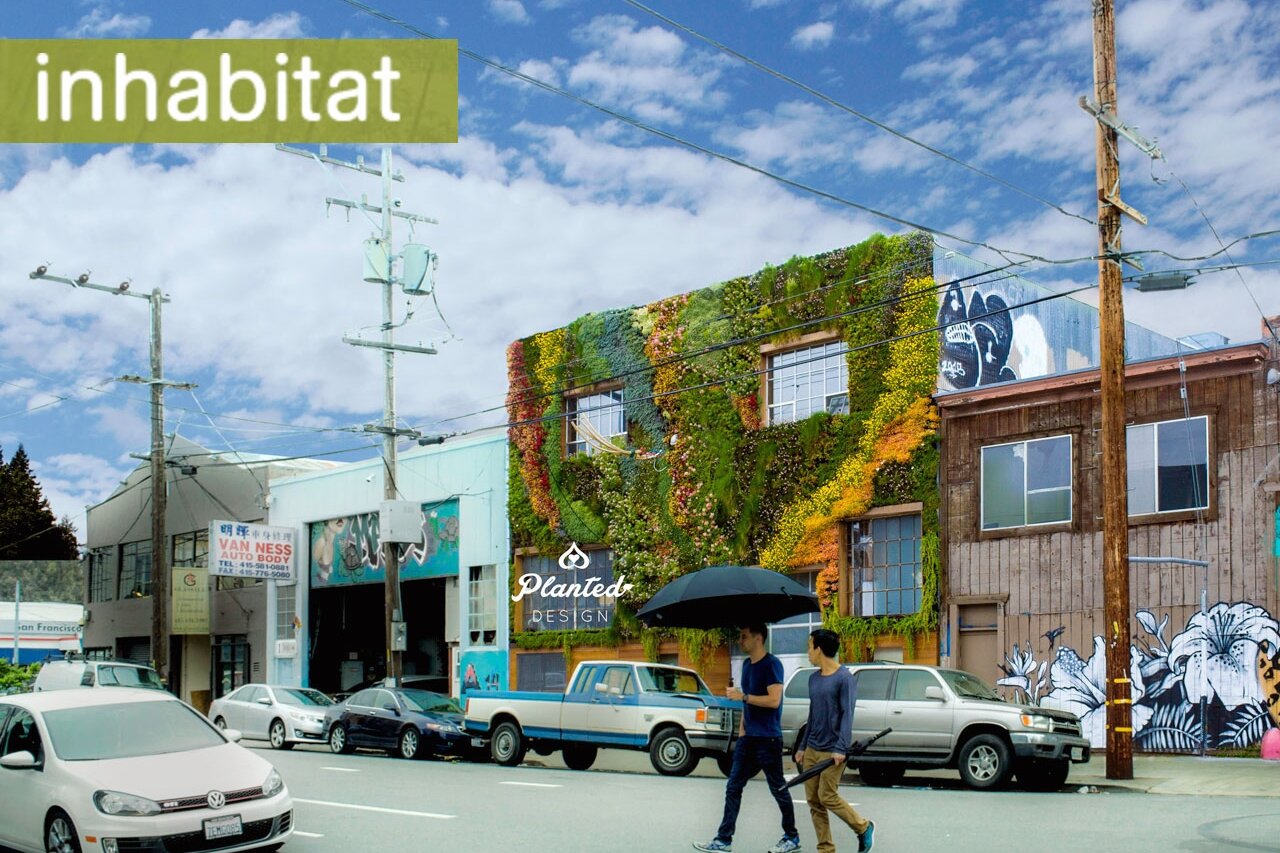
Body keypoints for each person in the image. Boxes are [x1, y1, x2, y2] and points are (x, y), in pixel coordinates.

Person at [694, 624, 800, 853]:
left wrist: (744, 695)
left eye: (744, 637)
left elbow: (773, 701)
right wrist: (742, 732)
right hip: (748, 739)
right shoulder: (746, 665)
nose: (740, 641)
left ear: (758, 638)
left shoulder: (772, 664)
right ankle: (723, 840)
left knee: (778, 788)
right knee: (733, 787)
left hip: (768, 738)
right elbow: (747, 703)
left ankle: (792, 837)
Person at [794, 629, 875, 853]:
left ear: (819, 649)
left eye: (810, 646)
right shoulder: (813, 678)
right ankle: (826, 849)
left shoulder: (844, 678)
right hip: (812, 748)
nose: (808, 651)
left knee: (826, 796)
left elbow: (847, 714)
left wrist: (841, 748)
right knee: (813, 801)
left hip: (833, 751)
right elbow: (813, 714)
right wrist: (802, 746)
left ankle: (863, 827)